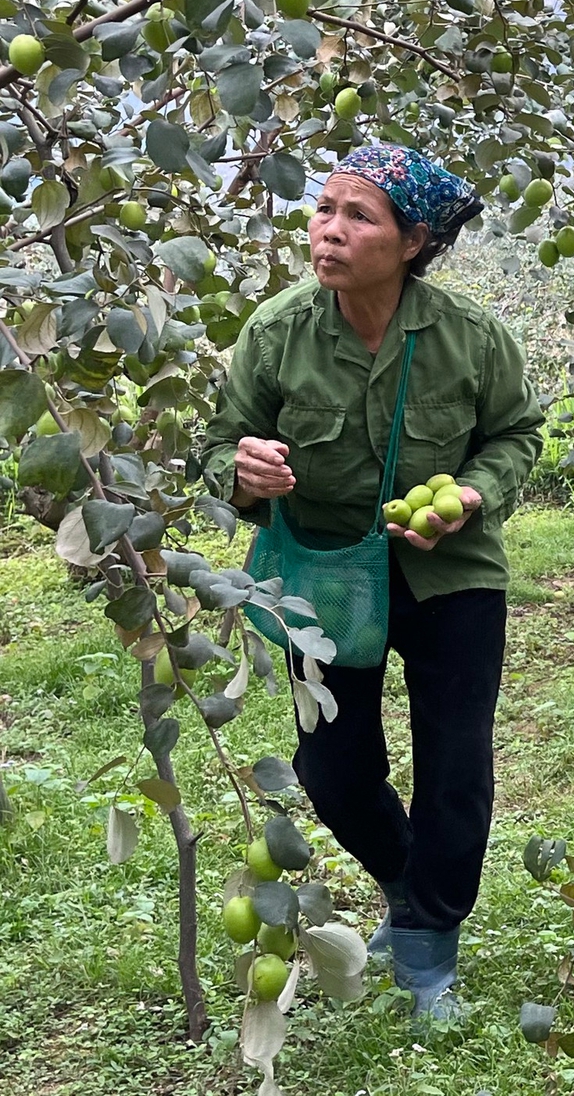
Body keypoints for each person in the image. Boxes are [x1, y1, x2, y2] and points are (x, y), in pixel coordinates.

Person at [199, 144, 543, 1025]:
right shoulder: (277, 334)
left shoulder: (469, 336)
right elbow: (219, 448)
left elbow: (516, 434)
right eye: (324, 211)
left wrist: (474, 493)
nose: (330, 231)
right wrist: (244, 474)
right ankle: (404, 879)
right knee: (332, 764)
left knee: (455, 762)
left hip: (449, 574)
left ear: (413, 240)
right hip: (323, 573)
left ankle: (430, 940)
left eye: (359, 217)